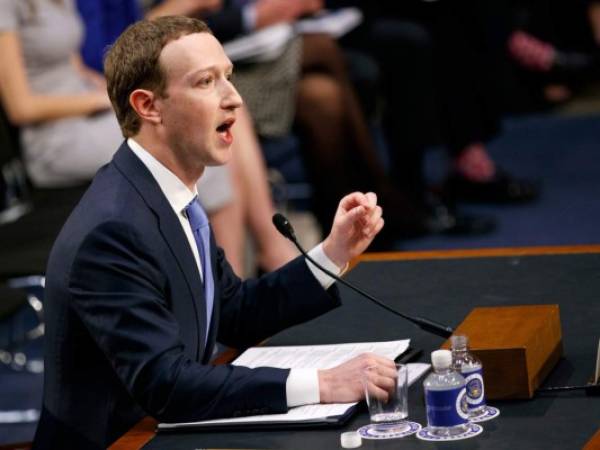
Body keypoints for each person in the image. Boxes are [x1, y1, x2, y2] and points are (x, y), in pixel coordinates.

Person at [32, 16, 395, 449]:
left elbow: (235, 311)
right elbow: (165, 385)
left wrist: (332, 252)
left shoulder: (165, 192)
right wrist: (324, 384)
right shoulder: (113, 229)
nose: (235, 98)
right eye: (206, 82)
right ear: (149, 106)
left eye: (229, 77)